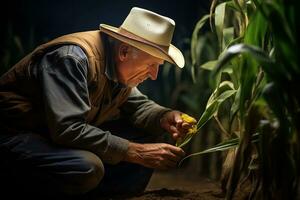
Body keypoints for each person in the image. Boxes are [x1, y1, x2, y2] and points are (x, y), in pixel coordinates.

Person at [0, 7, 195, 198]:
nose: (153, 75)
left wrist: (166, 117)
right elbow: (68, 129)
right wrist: (134, 151)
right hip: (15, 135)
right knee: (87, 167)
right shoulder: (72, 59)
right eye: (151, 65)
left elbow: (138, 106)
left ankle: (91, 189)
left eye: (158, 67)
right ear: (125, 51)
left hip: (49, 136)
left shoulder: (120, 66)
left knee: (148, 133)